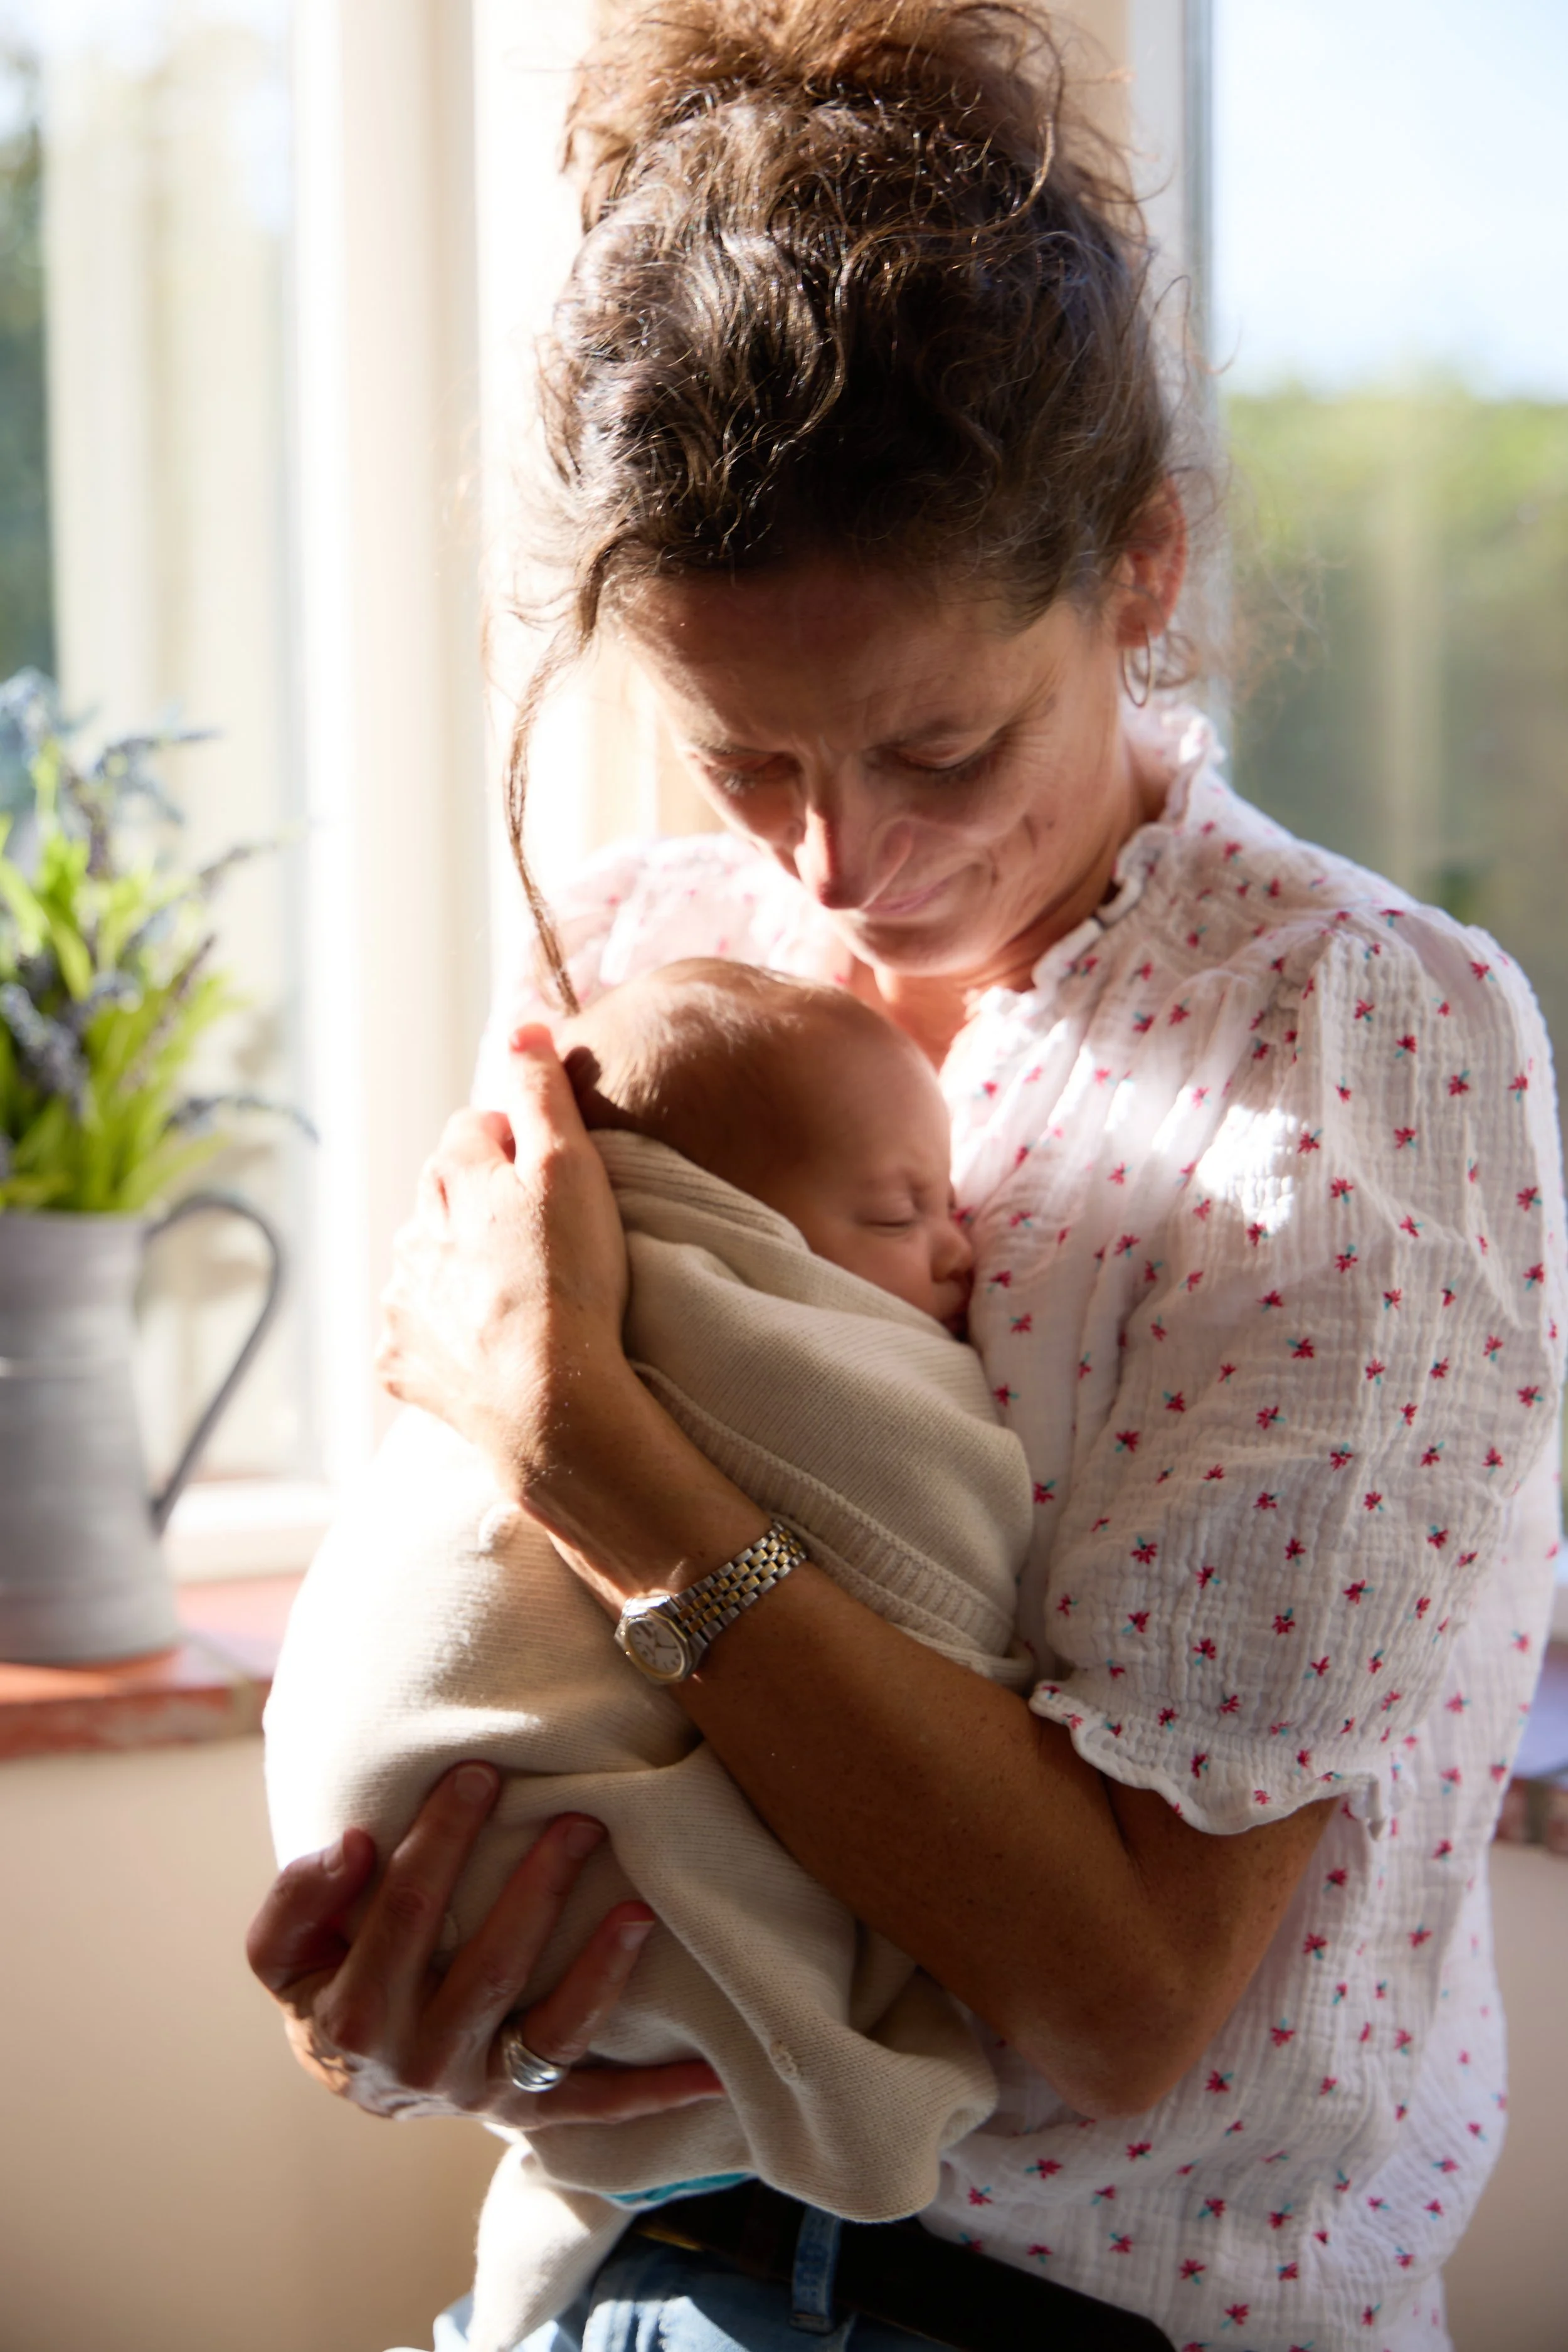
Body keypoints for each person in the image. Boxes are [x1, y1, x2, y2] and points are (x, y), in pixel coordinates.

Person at [246, 6, 1567, 2348]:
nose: (842, 858)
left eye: (942, 743)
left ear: (1142, 570)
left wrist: (596, 1450)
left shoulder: (1352, 1058)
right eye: (745, 751)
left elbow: (1118, 2009)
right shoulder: (658, 960)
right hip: (601, 2277)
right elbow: (485, 1663)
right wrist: (389, 1988)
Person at [262, 960, 1034, 2348]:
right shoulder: (737, 1325)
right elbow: (942, 1595)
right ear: (723, 1233)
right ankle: (838, 2084)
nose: (961, 1246)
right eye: (897, 1210)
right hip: (480, 1922)